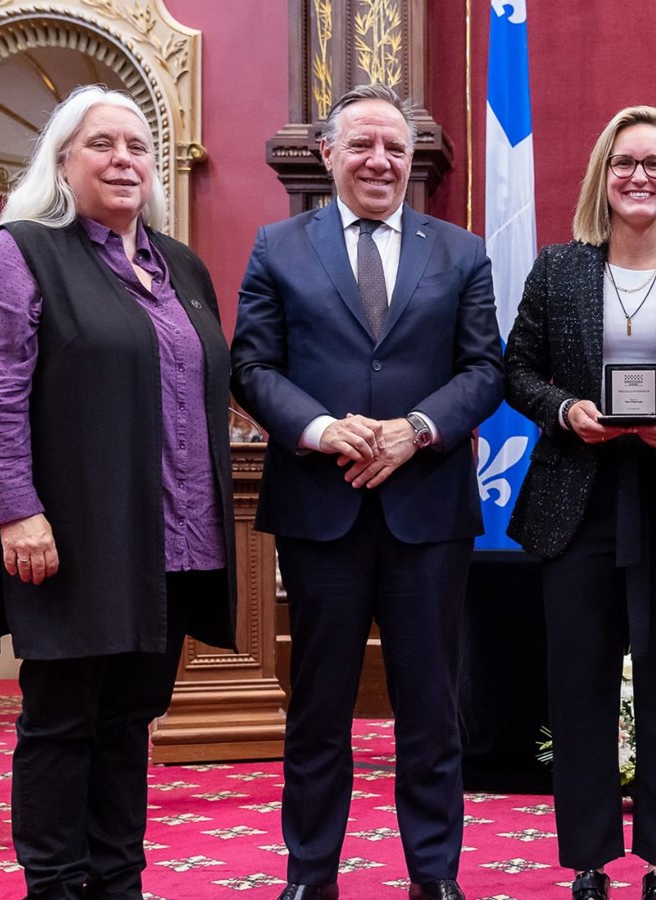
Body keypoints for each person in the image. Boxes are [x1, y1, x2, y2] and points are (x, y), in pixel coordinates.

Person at [0, 84, 237, 899]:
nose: (125, 160)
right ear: (63, 161)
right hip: (69, 540)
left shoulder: (177, 264)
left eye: (138, 146)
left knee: (129, 722)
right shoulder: (20, 252)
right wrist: (16, 511)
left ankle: (117, 881)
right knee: (61, 724)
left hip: (172, 546)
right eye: (103, 145)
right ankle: (55, 886)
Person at [231, 84, 503, 900]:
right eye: (363, 145)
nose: (381, 160)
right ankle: (310, 877)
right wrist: (322, 430)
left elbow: (485, 369)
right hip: (321, 508)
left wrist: (414, 429)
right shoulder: (277, 246)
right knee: (318, 712)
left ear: (413, 159)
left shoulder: (461, 251)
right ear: (328, 155)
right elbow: (251, 366)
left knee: (431, 712)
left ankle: (435, 879)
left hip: (429, 512)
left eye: (396, 147)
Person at [503, 105, 656, 900]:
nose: (639, 176)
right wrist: (567, 411)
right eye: (625, 164)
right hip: (576, 498)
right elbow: (517, 371)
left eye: (654, 164)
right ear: (602, 179)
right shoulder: (558, 269)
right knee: (577, 685)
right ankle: (586, 859)